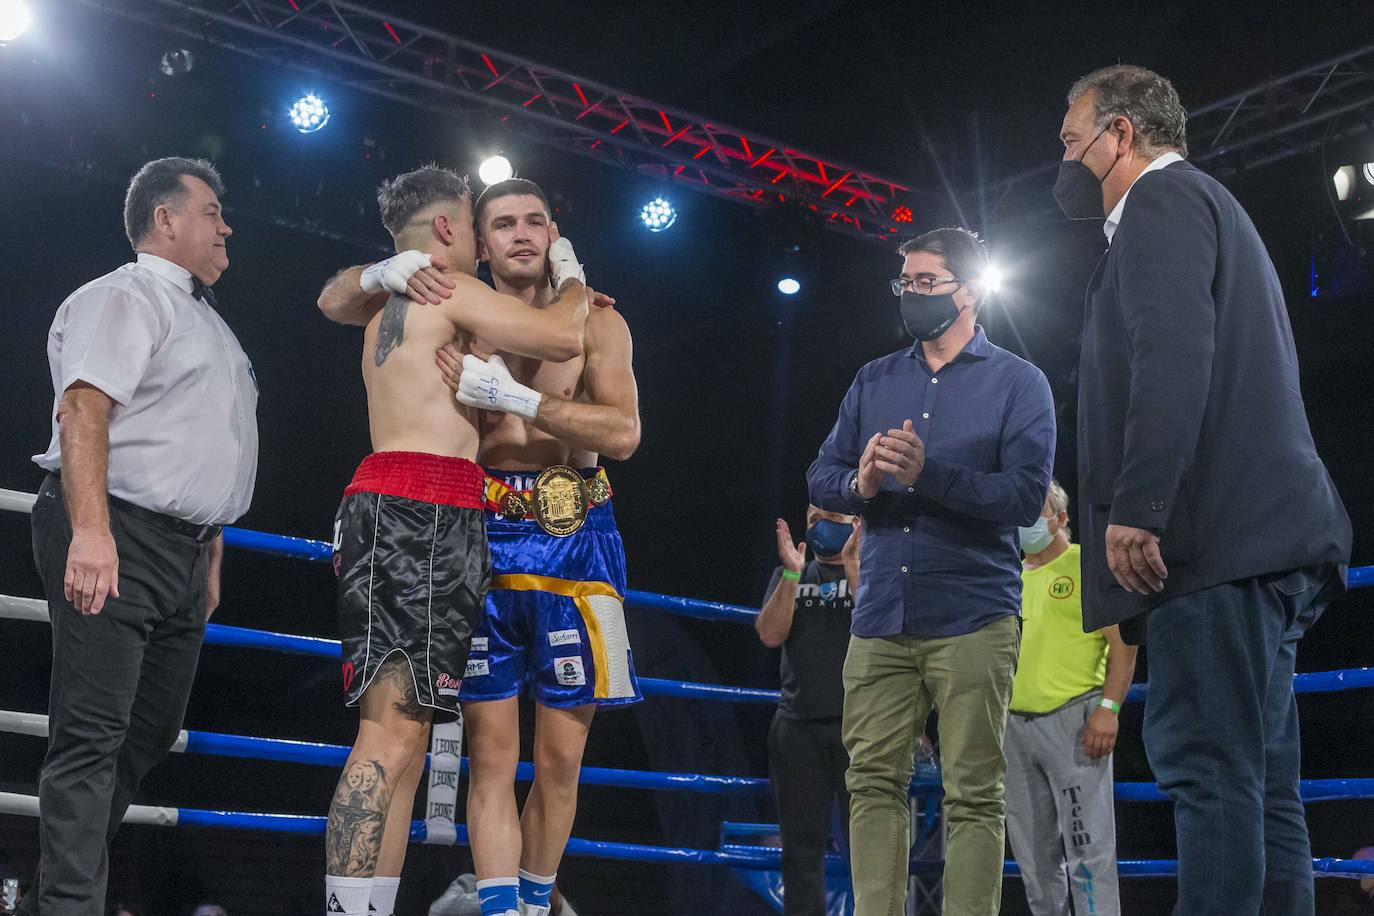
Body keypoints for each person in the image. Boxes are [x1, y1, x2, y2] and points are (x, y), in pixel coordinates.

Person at [1055, 64, 1352, 915]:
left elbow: (1174, 351)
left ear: (1121, 135)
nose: (1066, 162)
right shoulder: (1209, 209)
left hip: (1209, 545)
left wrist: (1137, 508)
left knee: (1210, 773)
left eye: (1074, 142)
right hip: (1262, 544)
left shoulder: (1161, 201)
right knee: (1261, 787)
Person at [320, 176, 640, 916]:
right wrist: (374, 271)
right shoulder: (458, 302)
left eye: (537, 222)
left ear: (555, 232)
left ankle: (532, 902)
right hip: (472, 526)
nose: (520, 234)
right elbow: (337, 298)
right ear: (469, 238)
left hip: (567, 536)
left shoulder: (594, 321)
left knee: (558, 760)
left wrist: (526, 397)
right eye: (498, 223)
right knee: (479, 754)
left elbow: (623, 435)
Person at [24, 157, 256, 916]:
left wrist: (210, 549)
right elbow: (85, 410)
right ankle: (67, 907)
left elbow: (202, 443)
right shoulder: (124, 296)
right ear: (167, 220)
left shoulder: (210, 323)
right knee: (92, 736)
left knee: (150, 731)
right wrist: (91, 533)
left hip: (183, 553)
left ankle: (50, 897)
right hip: (114, 528)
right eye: (213, 212)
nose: (226, 227)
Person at [807, 226, 1056, 916]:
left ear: (970, 291)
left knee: (975, 792)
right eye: (905, 283)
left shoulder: (1019, 382)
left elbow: (1025, 497)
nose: (911, 295)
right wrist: (857, 484)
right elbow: (820, 474)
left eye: (927, 282)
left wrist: (931, 476)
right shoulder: (874, 379)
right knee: (871, 783)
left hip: (974, 613)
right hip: (882, 611)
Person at [1003, 480, 1136, 915]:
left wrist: (1109, 709)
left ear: (1061, 518)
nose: (1026, 519)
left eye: (1036, 508)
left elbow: (1124, 643)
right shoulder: (1007, 578)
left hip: (1075, 723)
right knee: (1034, 862)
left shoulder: (1088, 566)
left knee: (1088, 850)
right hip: (1013, 728)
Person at [754, 506, 859, 916]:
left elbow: (882, 628)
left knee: (870, 850)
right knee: (800, 853)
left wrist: (854, 564)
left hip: (860, 728)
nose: (821, 525)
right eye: (814, 518)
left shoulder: (874, 573)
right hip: (797, 726)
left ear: (856, 522)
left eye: (832, 516)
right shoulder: (789, 576)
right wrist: (793, 574)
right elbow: (769, 634)